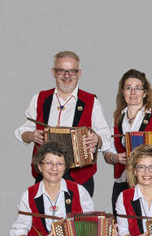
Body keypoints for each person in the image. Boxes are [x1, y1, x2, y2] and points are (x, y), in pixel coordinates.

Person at [14, 51, 112, 196]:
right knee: (43, 211)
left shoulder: (91, 102)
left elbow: (106, 135)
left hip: (79, 177)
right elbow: (23, 130)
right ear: (54, 72)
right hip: (45, 174)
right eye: (61, 71)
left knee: (78, 212)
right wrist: (31, 135)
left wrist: (97, 139)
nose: (67, 76)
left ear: (79, 73)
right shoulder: (40, 98)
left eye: (72, 71)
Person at [104, 69, 152, 213]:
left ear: (145, 92)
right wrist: (115, 158)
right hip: (122, 182)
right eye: (128, 88)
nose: (133, 92)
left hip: (149, 183)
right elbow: (108, 150)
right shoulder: (117, 117)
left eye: (138, 88)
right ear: (122, 92)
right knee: (121, 224)